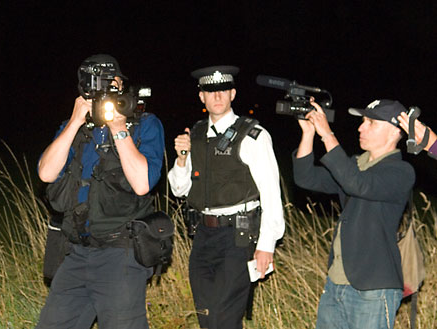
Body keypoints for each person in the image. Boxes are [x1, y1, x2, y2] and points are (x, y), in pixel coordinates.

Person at [36, 54, 165, 329]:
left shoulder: (144, 125)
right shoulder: (77, 129)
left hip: (121, 253)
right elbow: (46, 173)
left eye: (113, 82)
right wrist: (73, 123)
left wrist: (119, 129)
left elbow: (142, 183)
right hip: (76, 252)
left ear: (121, 83)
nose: (107, 89)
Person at [168, 65, 285, 329]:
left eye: (222, 91)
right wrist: (182, 158)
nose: (217, 96)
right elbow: (179, 190)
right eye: (210, 91)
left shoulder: (253, 135)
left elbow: (271, 193)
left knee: (224, 316)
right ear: (202, 97)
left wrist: (266, 244)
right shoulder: (194, 134)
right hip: (202, 237)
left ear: (232, 94)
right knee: (207, 315)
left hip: (238, 236)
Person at [292, 99, 415, 329]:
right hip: (336, 284)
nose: (361, 127)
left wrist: (328, 136)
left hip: (373, 289)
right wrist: (308, 133)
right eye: (362, 121)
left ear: (394, 131)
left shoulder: (401, 172)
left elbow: (357, 185)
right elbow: (305, 177)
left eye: (370, 122)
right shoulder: (354, 165)